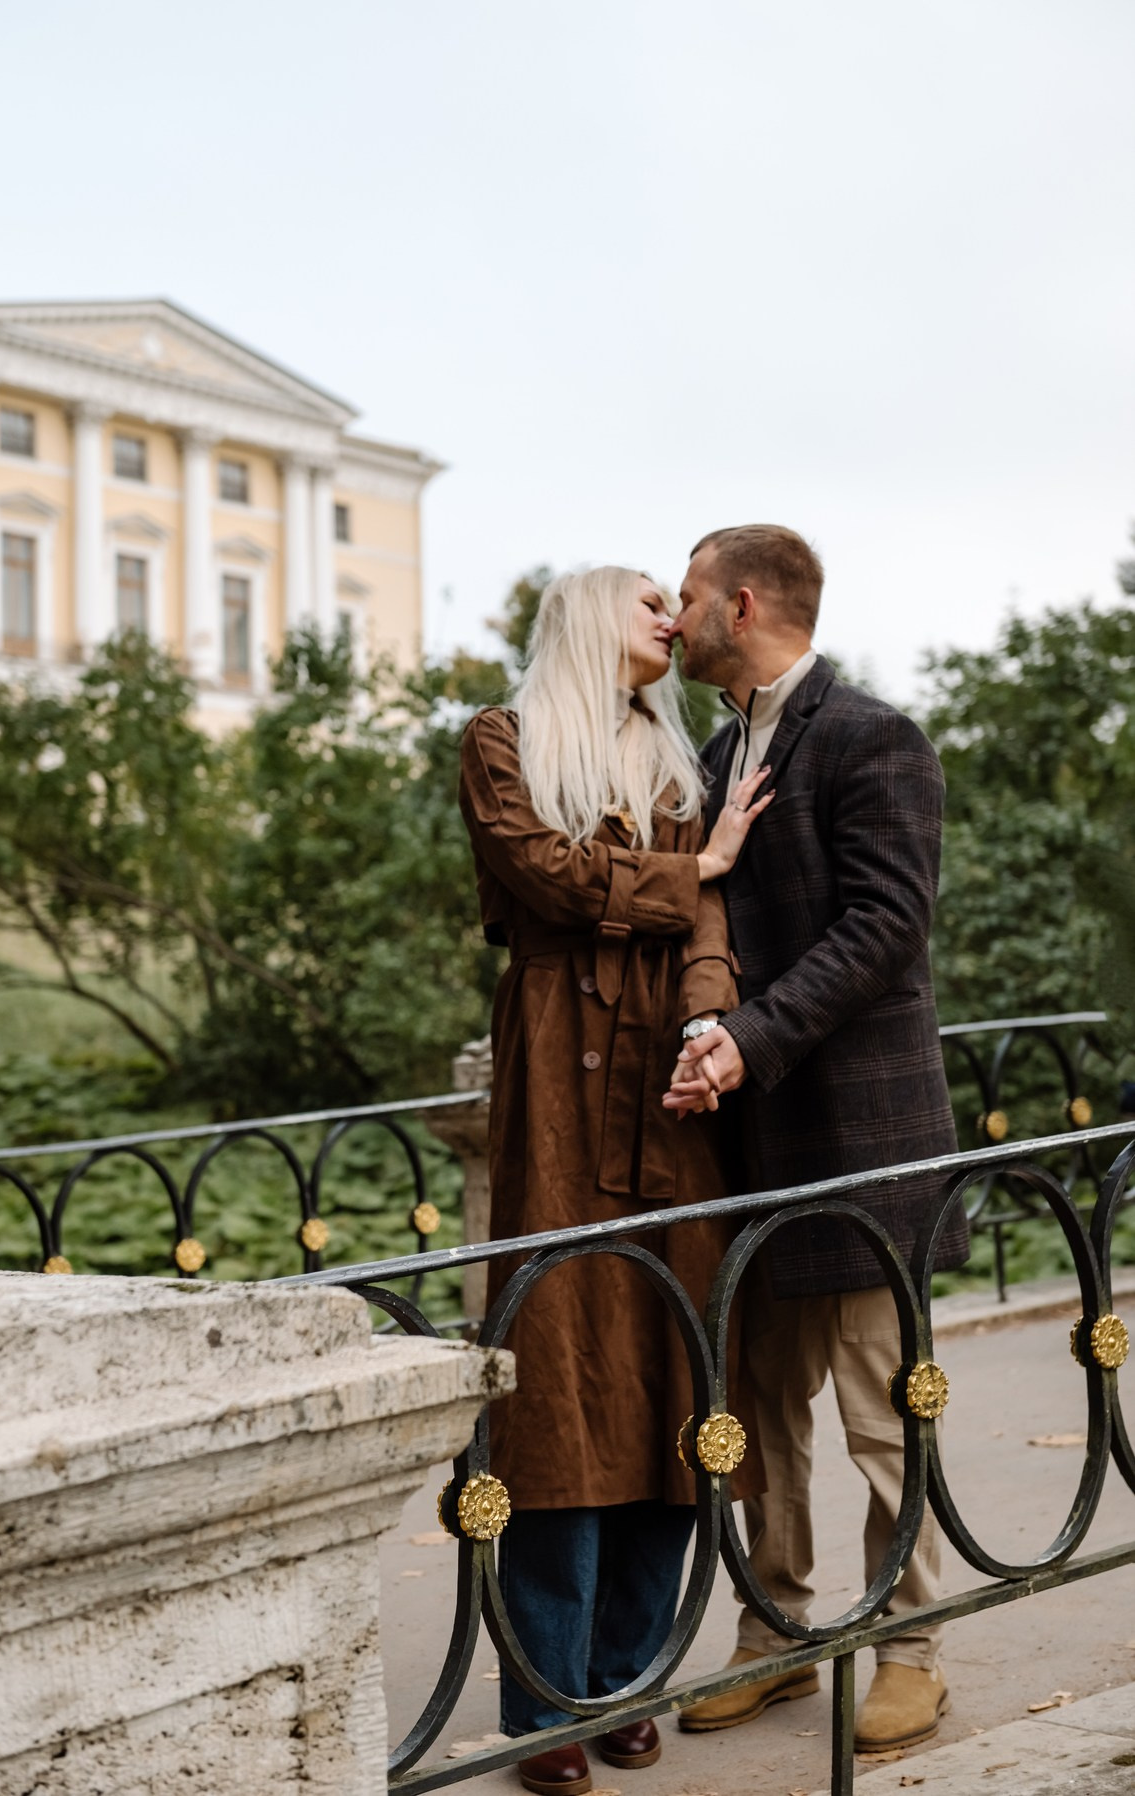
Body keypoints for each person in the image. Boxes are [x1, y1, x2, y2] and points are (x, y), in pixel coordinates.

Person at [458, 565, 771, 1796]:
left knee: (668, 1382)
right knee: (558, 1389)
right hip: (554, 1073)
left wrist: (708, 1032)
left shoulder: (679, 761)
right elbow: (545, 874)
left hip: (669, 1087)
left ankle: (627, 1678)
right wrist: (694, 871)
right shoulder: (502, 738)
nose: (673, 617)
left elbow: (710, 931)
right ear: (592, 616)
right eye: (650, 599)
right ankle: (548, 1704)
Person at [663, 524, 969, 1756]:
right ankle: (775, 1634)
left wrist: (752, 1034)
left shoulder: (871, 735)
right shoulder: (717, 744)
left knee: (881, 1413)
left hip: (862, 1129)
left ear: (741, 605)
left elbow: (888, 922)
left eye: (685, 594)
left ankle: (912, 1650)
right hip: (753, 1141)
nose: (674, 614)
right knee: (761, 1411)